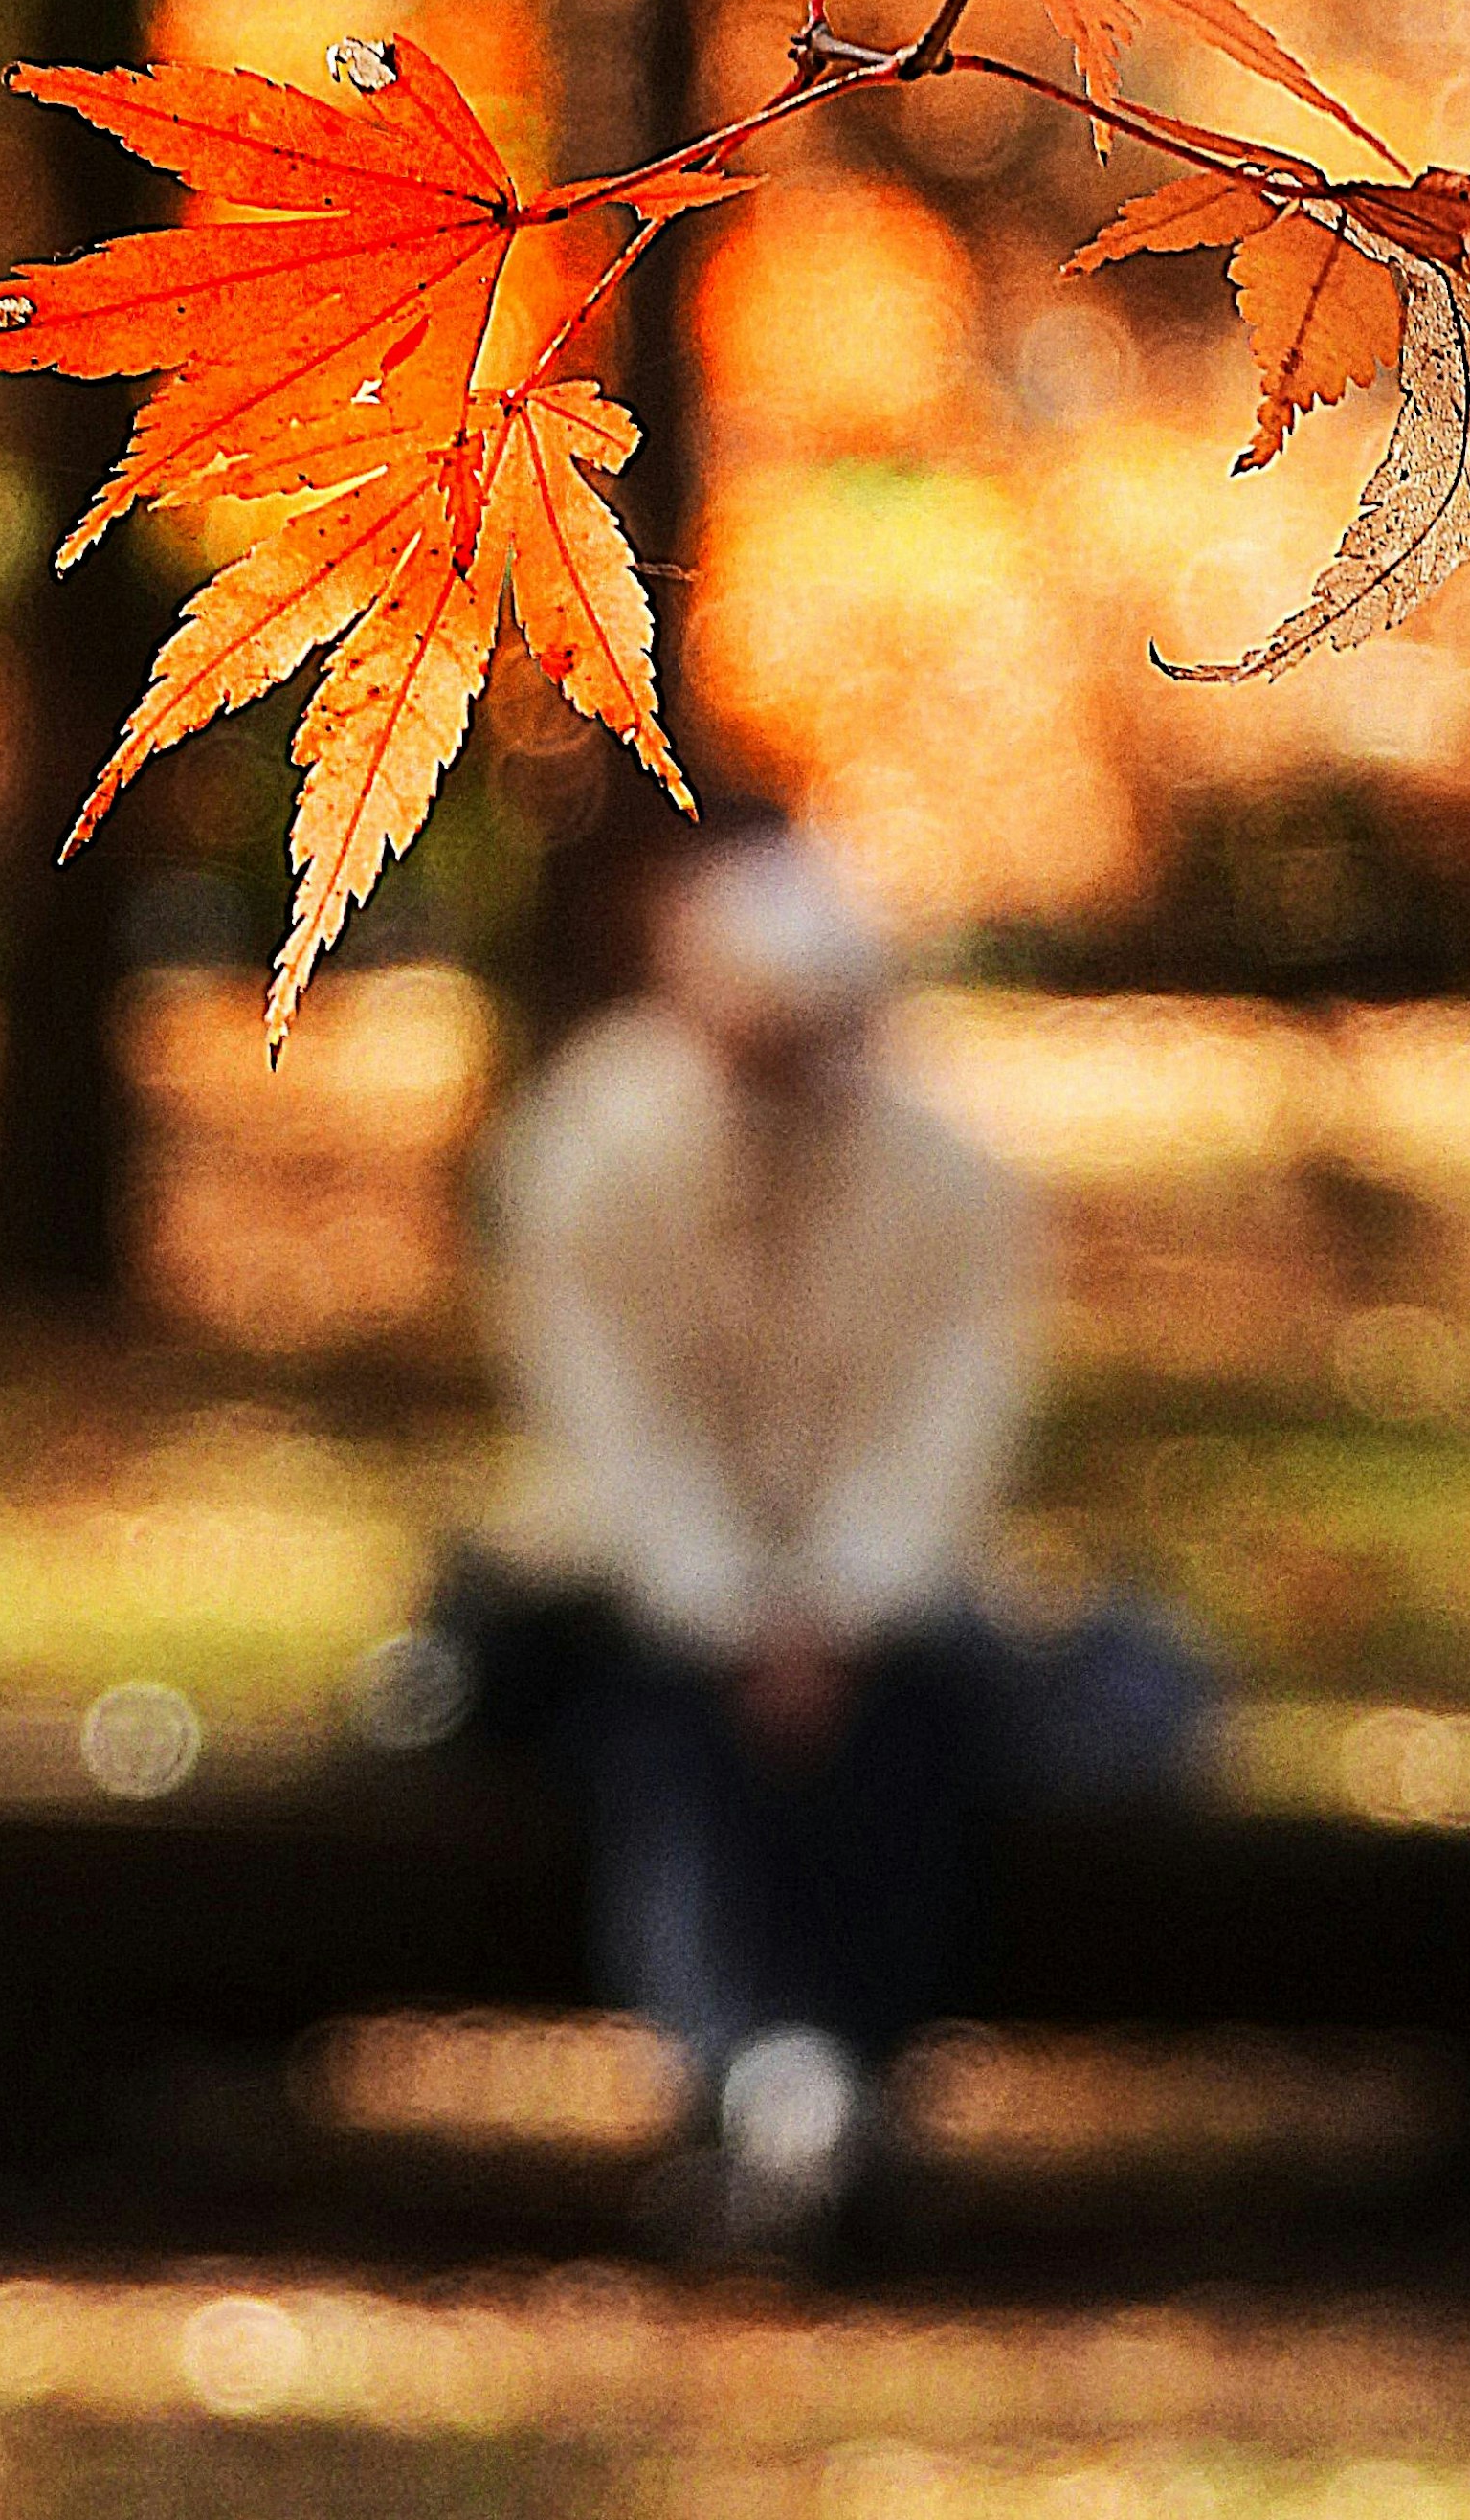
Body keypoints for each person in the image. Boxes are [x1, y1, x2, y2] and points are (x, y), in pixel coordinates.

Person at [442, 814, 1042, 2250]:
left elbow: (948, 1420)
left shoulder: (952, 1179)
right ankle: (771, 2067)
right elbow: (608, 1424)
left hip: (877, 1620)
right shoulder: (589, 1148)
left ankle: (813, 2072)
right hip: (637, 1599)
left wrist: (837, 1603)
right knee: (673, 1734)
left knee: (899, 1731)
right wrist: (732, 1610)